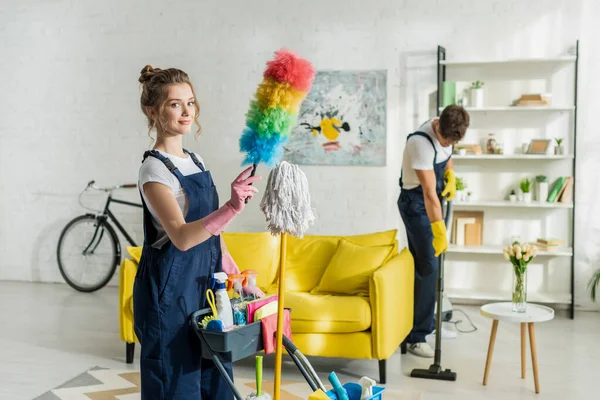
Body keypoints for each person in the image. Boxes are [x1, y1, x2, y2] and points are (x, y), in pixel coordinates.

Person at [133, 65, 261, 399]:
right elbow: (182, 236)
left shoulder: (196, 159)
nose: (187, 111)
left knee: (215, 376)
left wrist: (232, 270)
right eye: (175, 104)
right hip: (169, 292)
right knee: (176, 382)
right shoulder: (154, 169)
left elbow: (210, 233)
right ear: (152, 110)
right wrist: (232, 207)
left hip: (206, 284)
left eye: (190, 102)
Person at [397, 105, 469, 358]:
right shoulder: (421, 143)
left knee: (430, 266)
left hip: (432, 201)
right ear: (438, 126)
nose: (449, 143)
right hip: (417, 204)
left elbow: (448, 154)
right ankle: (417, 337)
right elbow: (428, 194)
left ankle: (423, 326)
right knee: (428, 267)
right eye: (446, 138)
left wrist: (450, 175)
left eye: (453, 141)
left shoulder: (448, 133)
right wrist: (439, 230)